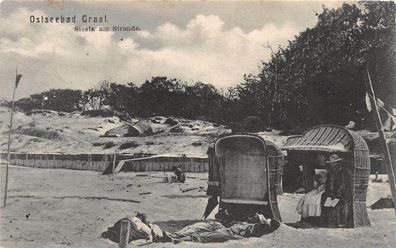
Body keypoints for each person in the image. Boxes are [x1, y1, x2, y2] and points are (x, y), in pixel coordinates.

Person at [321, 154, 352, 228]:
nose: (333, 165)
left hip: (343, 193)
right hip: (333, 193)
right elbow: (329, 184)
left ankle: (340, 222)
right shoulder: (331, 172)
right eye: (332, 163)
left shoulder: (345, 171)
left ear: (338, 163)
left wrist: (338, 193)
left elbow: (344, 184)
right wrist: (330, 193)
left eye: (334, 163)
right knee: (326, 201)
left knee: (340, 204)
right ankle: (330, 222)